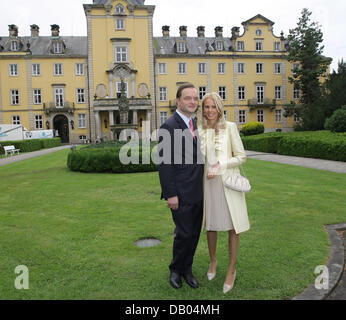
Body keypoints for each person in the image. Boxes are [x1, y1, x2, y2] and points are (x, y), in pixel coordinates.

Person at [199, 92, 250, 294]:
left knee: (232, 228)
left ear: (219, 108)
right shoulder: (200, 130)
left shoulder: (229, 128)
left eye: (213, 107)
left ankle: (231, 269)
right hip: (208, 185)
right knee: (210, 226)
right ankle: (213, 262)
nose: (210, 111)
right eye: (206, 107)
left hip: (227, 184)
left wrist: (221, 164)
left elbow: (241, 156)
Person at [158, 83, 204, 289]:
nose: (193, 101)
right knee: (184, 233)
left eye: (195, 98)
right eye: (188, 98)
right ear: (178, 101)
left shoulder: (195, 124)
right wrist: (171, 195)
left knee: (194, 233)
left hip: (199, 191)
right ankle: (175, 270)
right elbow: (165, 164)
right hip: (181, 193)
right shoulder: (169, 126)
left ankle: (187, 269)